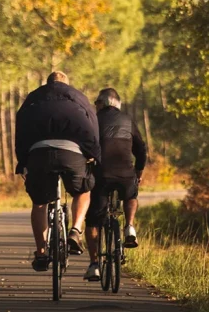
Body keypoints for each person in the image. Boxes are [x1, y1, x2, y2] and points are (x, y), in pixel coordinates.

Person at [15, 70, 100, 271]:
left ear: (47, 83)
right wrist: (94, 156)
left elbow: (20, 130)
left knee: (39, 203)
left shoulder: (33, 98)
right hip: (72, 153)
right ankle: (75, 231)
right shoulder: (79, 97)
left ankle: (41, 253)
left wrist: (22, 161)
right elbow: (93, 128)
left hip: (39, 154)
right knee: (83, 191)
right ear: (67, 84)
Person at [83, 87, 147, 282]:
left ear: (103, 103)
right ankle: (129, 226)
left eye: (97, 103)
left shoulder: (93, 121)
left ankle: (94, 264)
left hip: (101, 176)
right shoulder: (128, 121)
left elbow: (85, 147)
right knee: (131, 195)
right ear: (117, 104)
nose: (95, 106)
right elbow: (141, 149)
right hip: (126, 174)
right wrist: (138, 172)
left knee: (93, 221)